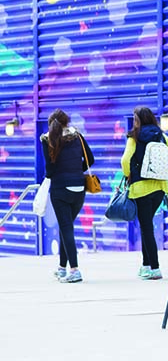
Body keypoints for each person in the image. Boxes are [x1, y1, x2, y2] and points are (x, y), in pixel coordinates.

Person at [120, 106, 168, 280]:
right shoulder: (162, 136)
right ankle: (146, 266)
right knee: (147, 225)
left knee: (146, 227)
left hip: (141, 188)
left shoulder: (134, 136)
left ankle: (154, 268)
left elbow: (125, 160)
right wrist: (158, 170)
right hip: (160, 188)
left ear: (137, 119)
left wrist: (128, 174)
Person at [40, 109, 94, 283]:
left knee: (66, 228)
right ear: (67, 121)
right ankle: (62, 269)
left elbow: (49, 169)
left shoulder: (47, 139)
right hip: (79, 188)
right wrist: (77, 171)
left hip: (60, 189)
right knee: (67, 227)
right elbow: (90, 159)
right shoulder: (77, 136)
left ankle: (75, 270)